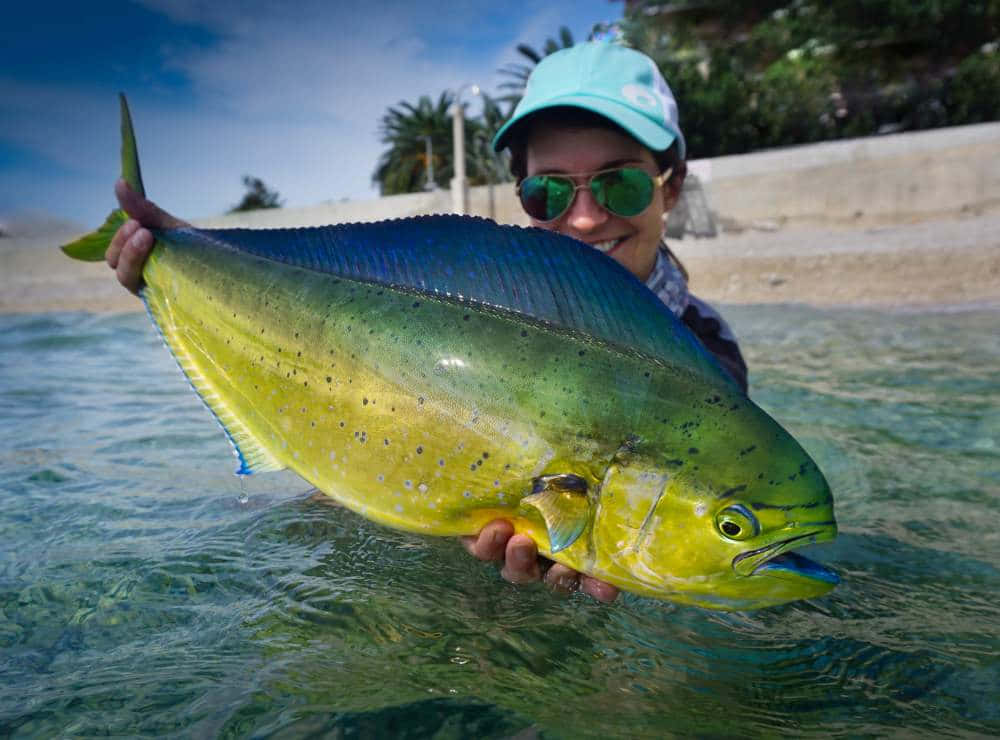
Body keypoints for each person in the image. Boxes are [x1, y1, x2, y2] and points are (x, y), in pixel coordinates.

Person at [106, 41, 747, 604]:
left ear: (672, 186)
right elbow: (319, 325)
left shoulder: (709, 358)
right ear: (519, 192)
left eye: (620, 185)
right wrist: (176, 259)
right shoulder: (448, 311)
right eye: (549, 192)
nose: (583, 219)